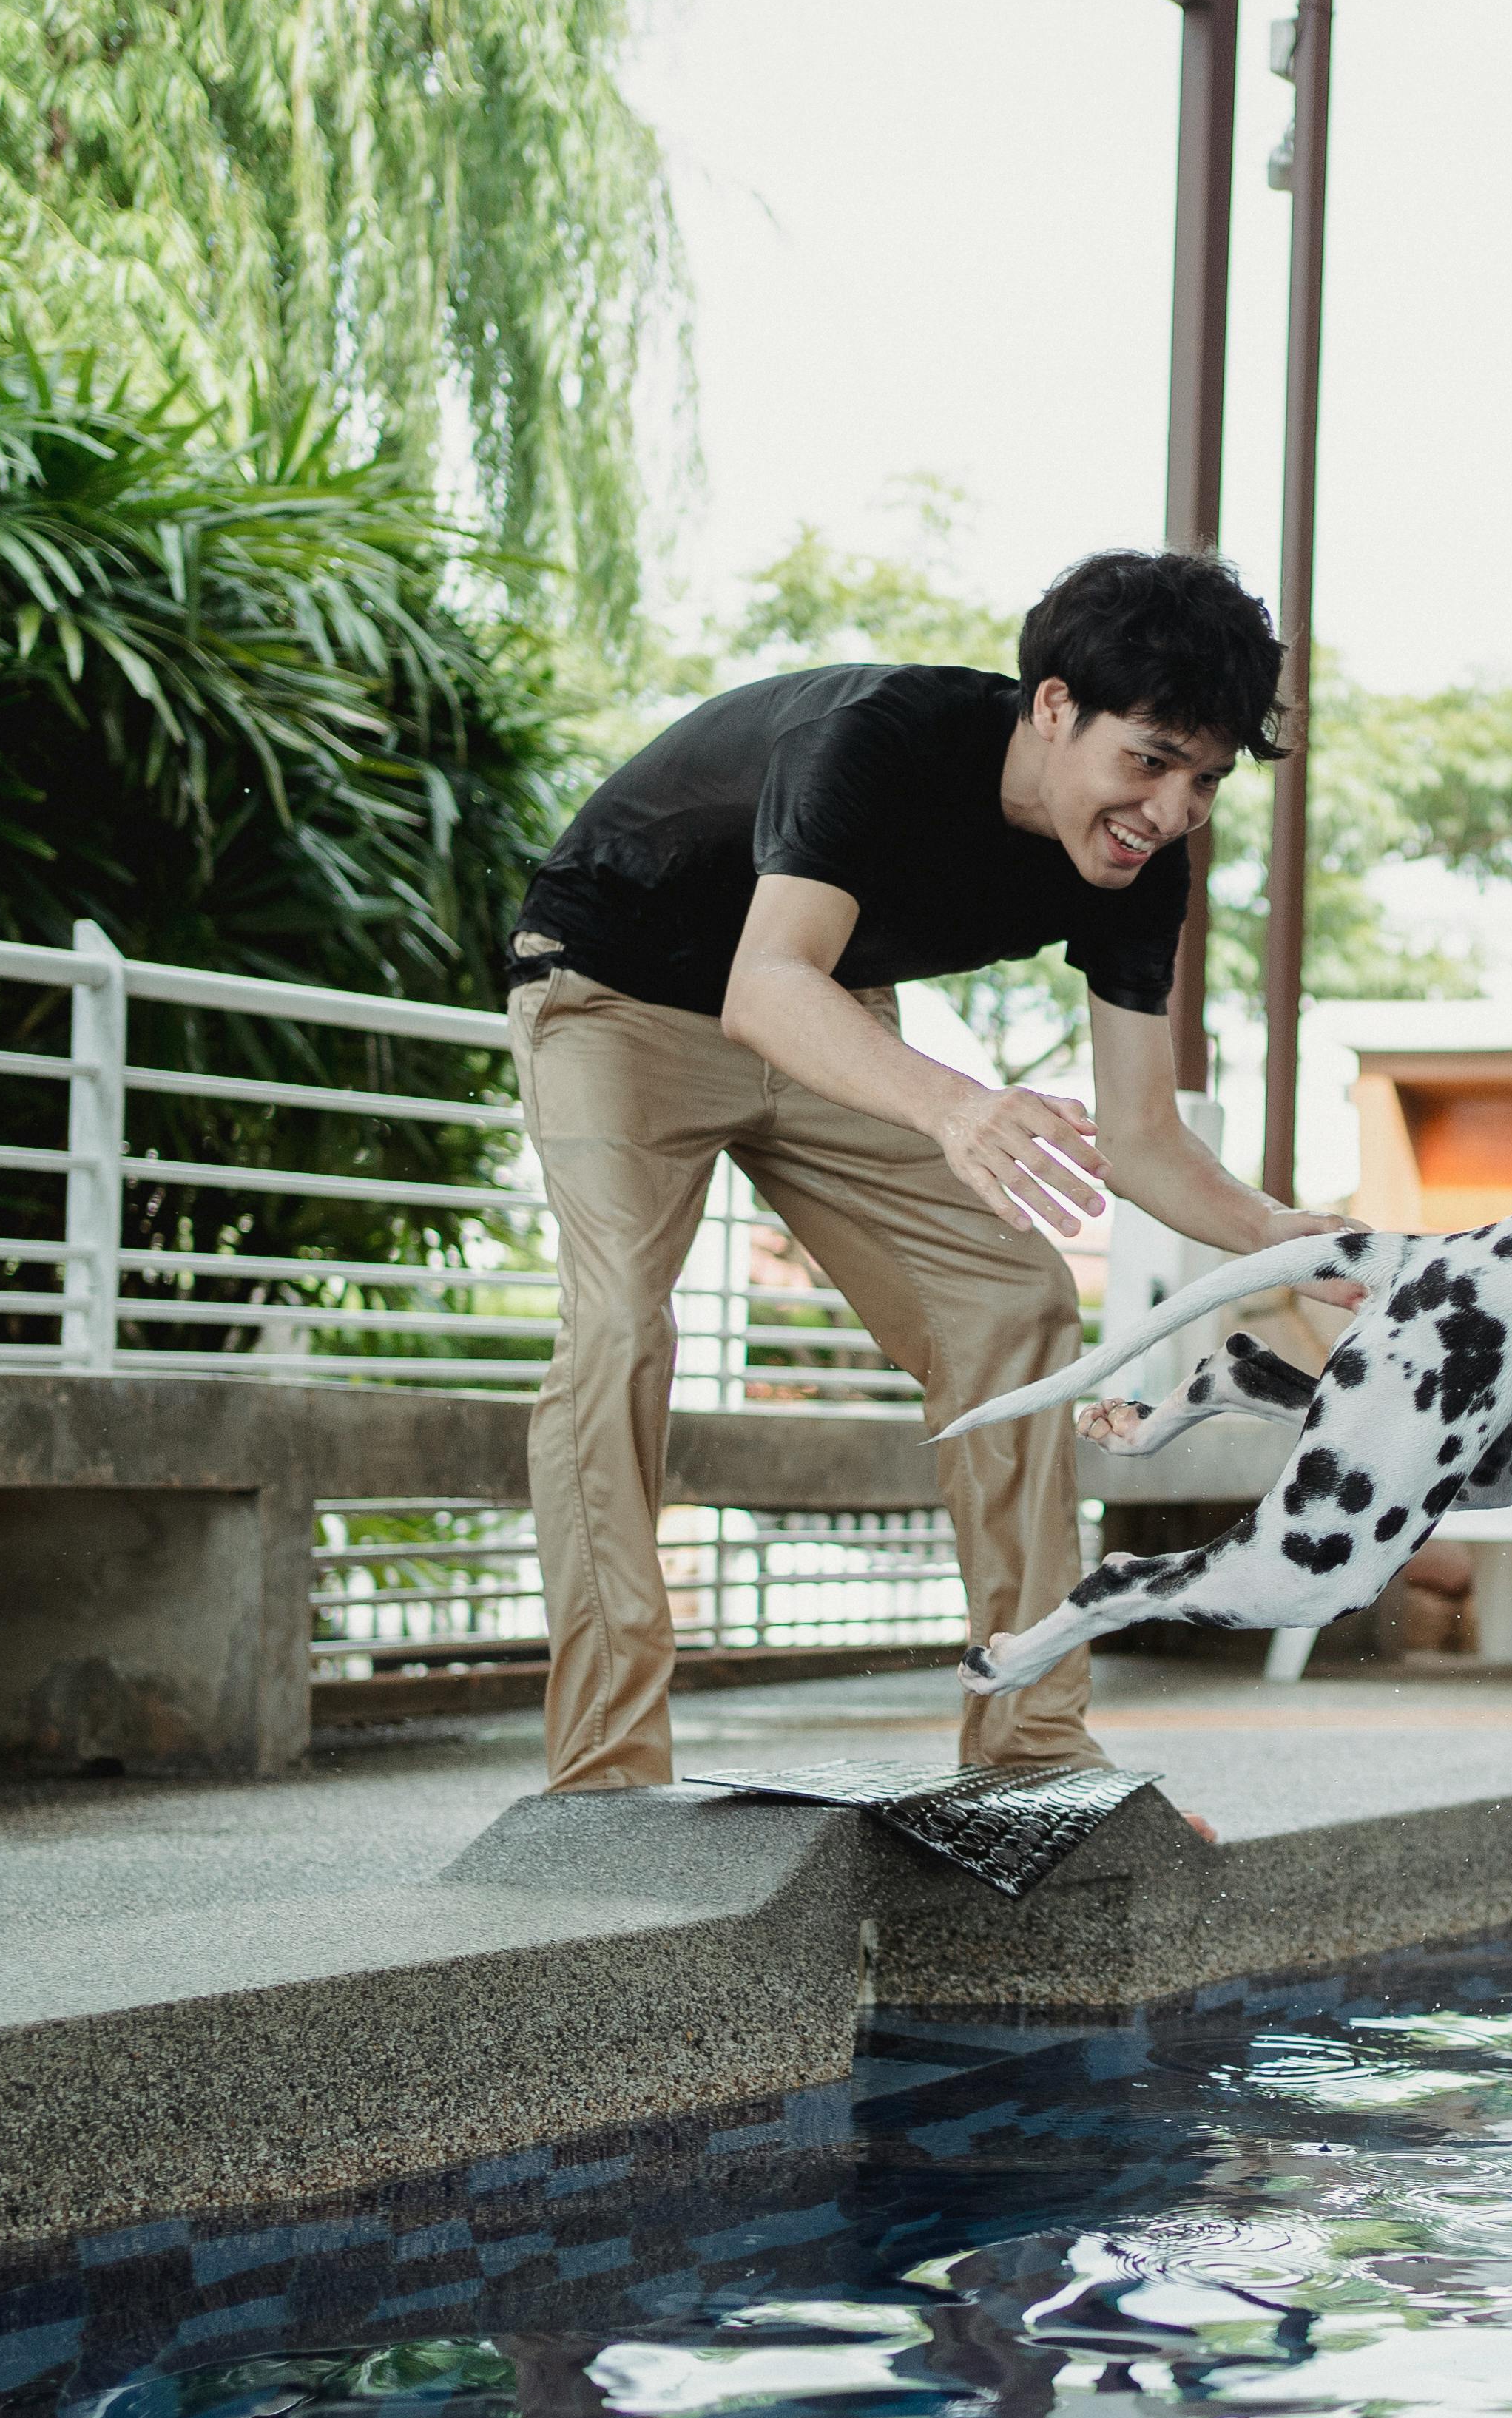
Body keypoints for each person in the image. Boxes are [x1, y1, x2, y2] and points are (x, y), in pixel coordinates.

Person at [502, 548, 1339, 1792]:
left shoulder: (1134, 864)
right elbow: (764, 982)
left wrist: (1298, 1239)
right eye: (1149, 760)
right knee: (621, 1321)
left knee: (1015, 1303)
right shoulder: (879, 739)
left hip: (819, 1012)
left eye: (1204, 781)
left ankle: (1031, 1734)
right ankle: (609, 1766)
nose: (1169, 811)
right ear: (1055, 707)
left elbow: (1147, 1141)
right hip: (616, 985)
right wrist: (959, 1107)